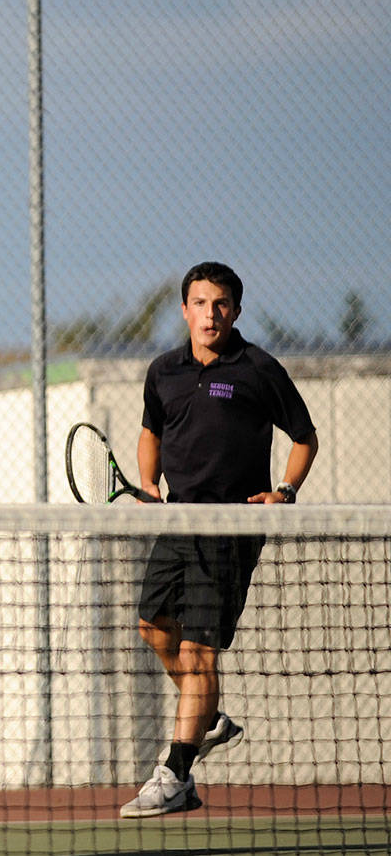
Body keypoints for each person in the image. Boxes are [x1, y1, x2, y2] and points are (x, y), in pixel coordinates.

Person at [119, 261, 318, 818]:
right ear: (184, 310)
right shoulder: (163, 371)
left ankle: (175, 773)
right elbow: (150, 431)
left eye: (221, 304)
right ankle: (206, 716)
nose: (211, 313)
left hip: (231, 528)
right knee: (154, 629)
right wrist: (150, 484)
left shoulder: (258, 368)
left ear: (235, 310)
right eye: (201, 303)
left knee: (197, 651)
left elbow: (305, 437)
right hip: (177, 522)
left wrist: (284, 490)